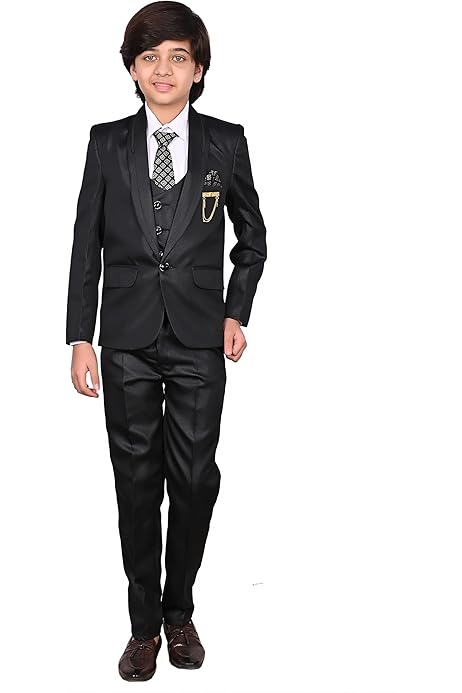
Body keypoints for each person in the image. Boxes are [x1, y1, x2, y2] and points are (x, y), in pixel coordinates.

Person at [66, 0, 267, 681]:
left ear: (198, 69)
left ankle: (181, 609)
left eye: (177, 57)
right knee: (134, 483)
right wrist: (80, 336)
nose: (163, 69)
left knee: (195, 479)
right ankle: (144, 626)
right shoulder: (106, 143)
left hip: (199, 337)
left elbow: (253, 239)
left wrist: (235, 311)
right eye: (149, 57)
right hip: (123, 338)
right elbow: (85, 244)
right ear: (132, 69)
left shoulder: (225, 143)